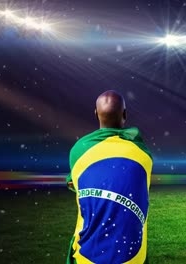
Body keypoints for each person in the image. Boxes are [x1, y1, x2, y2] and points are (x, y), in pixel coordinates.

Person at [66, 90, 153, 264]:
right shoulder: (144, 155)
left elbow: (73, 183)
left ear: (96, 114)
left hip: (87, 258)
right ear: (125, 114)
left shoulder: (79, 150)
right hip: (134, 259)